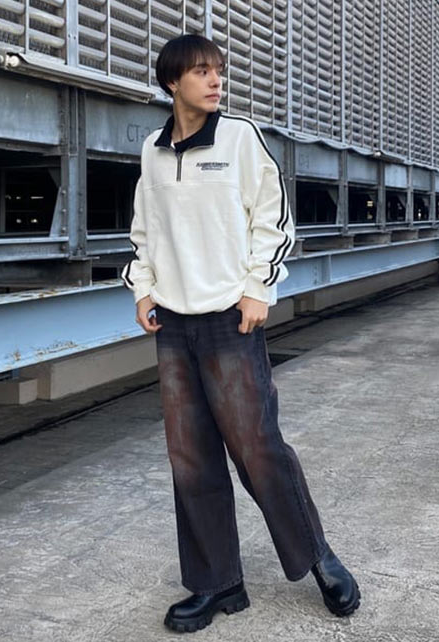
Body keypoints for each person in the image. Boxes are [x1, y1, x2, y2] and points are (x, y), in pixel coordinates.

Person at [122, 34, 360, 633]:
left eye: (218, 71)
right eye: (201, 72)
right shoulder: (153, 151)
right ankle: (216, 583)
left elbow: (272, 218)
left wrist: (259, 287)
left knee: (258, 447)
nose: (215, 81)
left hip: (230, 318)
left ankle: (318, 557)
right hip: (173, 323)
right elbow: (143, 230)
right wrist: (142, 288)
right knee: (190, 457)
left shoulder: (239, 138)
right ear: (172, 82)